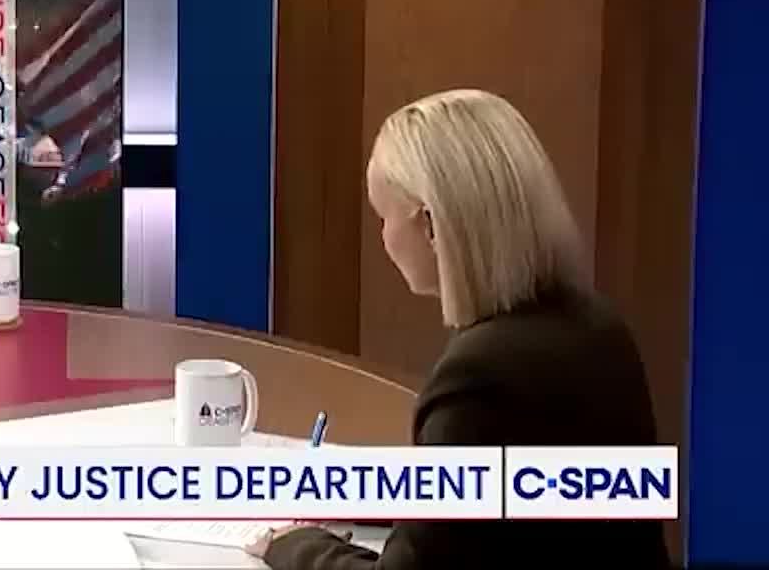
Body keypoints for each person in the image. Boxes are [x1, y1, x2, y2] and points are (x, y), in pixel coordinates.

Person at [248, 89, 670, 569]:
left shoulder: (483, 374)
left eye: (384, 217)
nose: (383, 238)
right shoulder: (595, 326)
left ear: (431, 225)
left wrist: (296, 545)